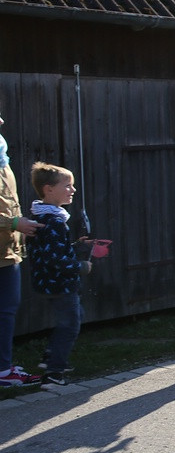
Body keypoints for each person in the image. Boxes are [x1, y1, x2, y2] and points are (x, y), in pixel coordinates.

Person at [26, 162, 92, 386]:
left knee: (75, 317)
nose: (72, 190)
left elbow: (51, 250)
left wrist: (75, 246)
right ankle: (54, 372)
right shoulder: (54, 222)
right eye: (67, 185)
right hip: (60, 284)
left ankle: (51, 356)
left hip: (47, 282)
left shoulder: (42, 218)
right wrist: (80, 266)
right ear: (48, 189)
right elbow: (56, 260)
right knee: (71, 324)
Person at [0, 113, 44, 387]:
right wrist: (15, 222)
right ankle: (3, 372)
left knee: (6, 310)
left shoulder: (3, 161)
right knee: (4, 311)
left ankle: (3, 368)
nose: (2, 121)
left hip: (7, 250)